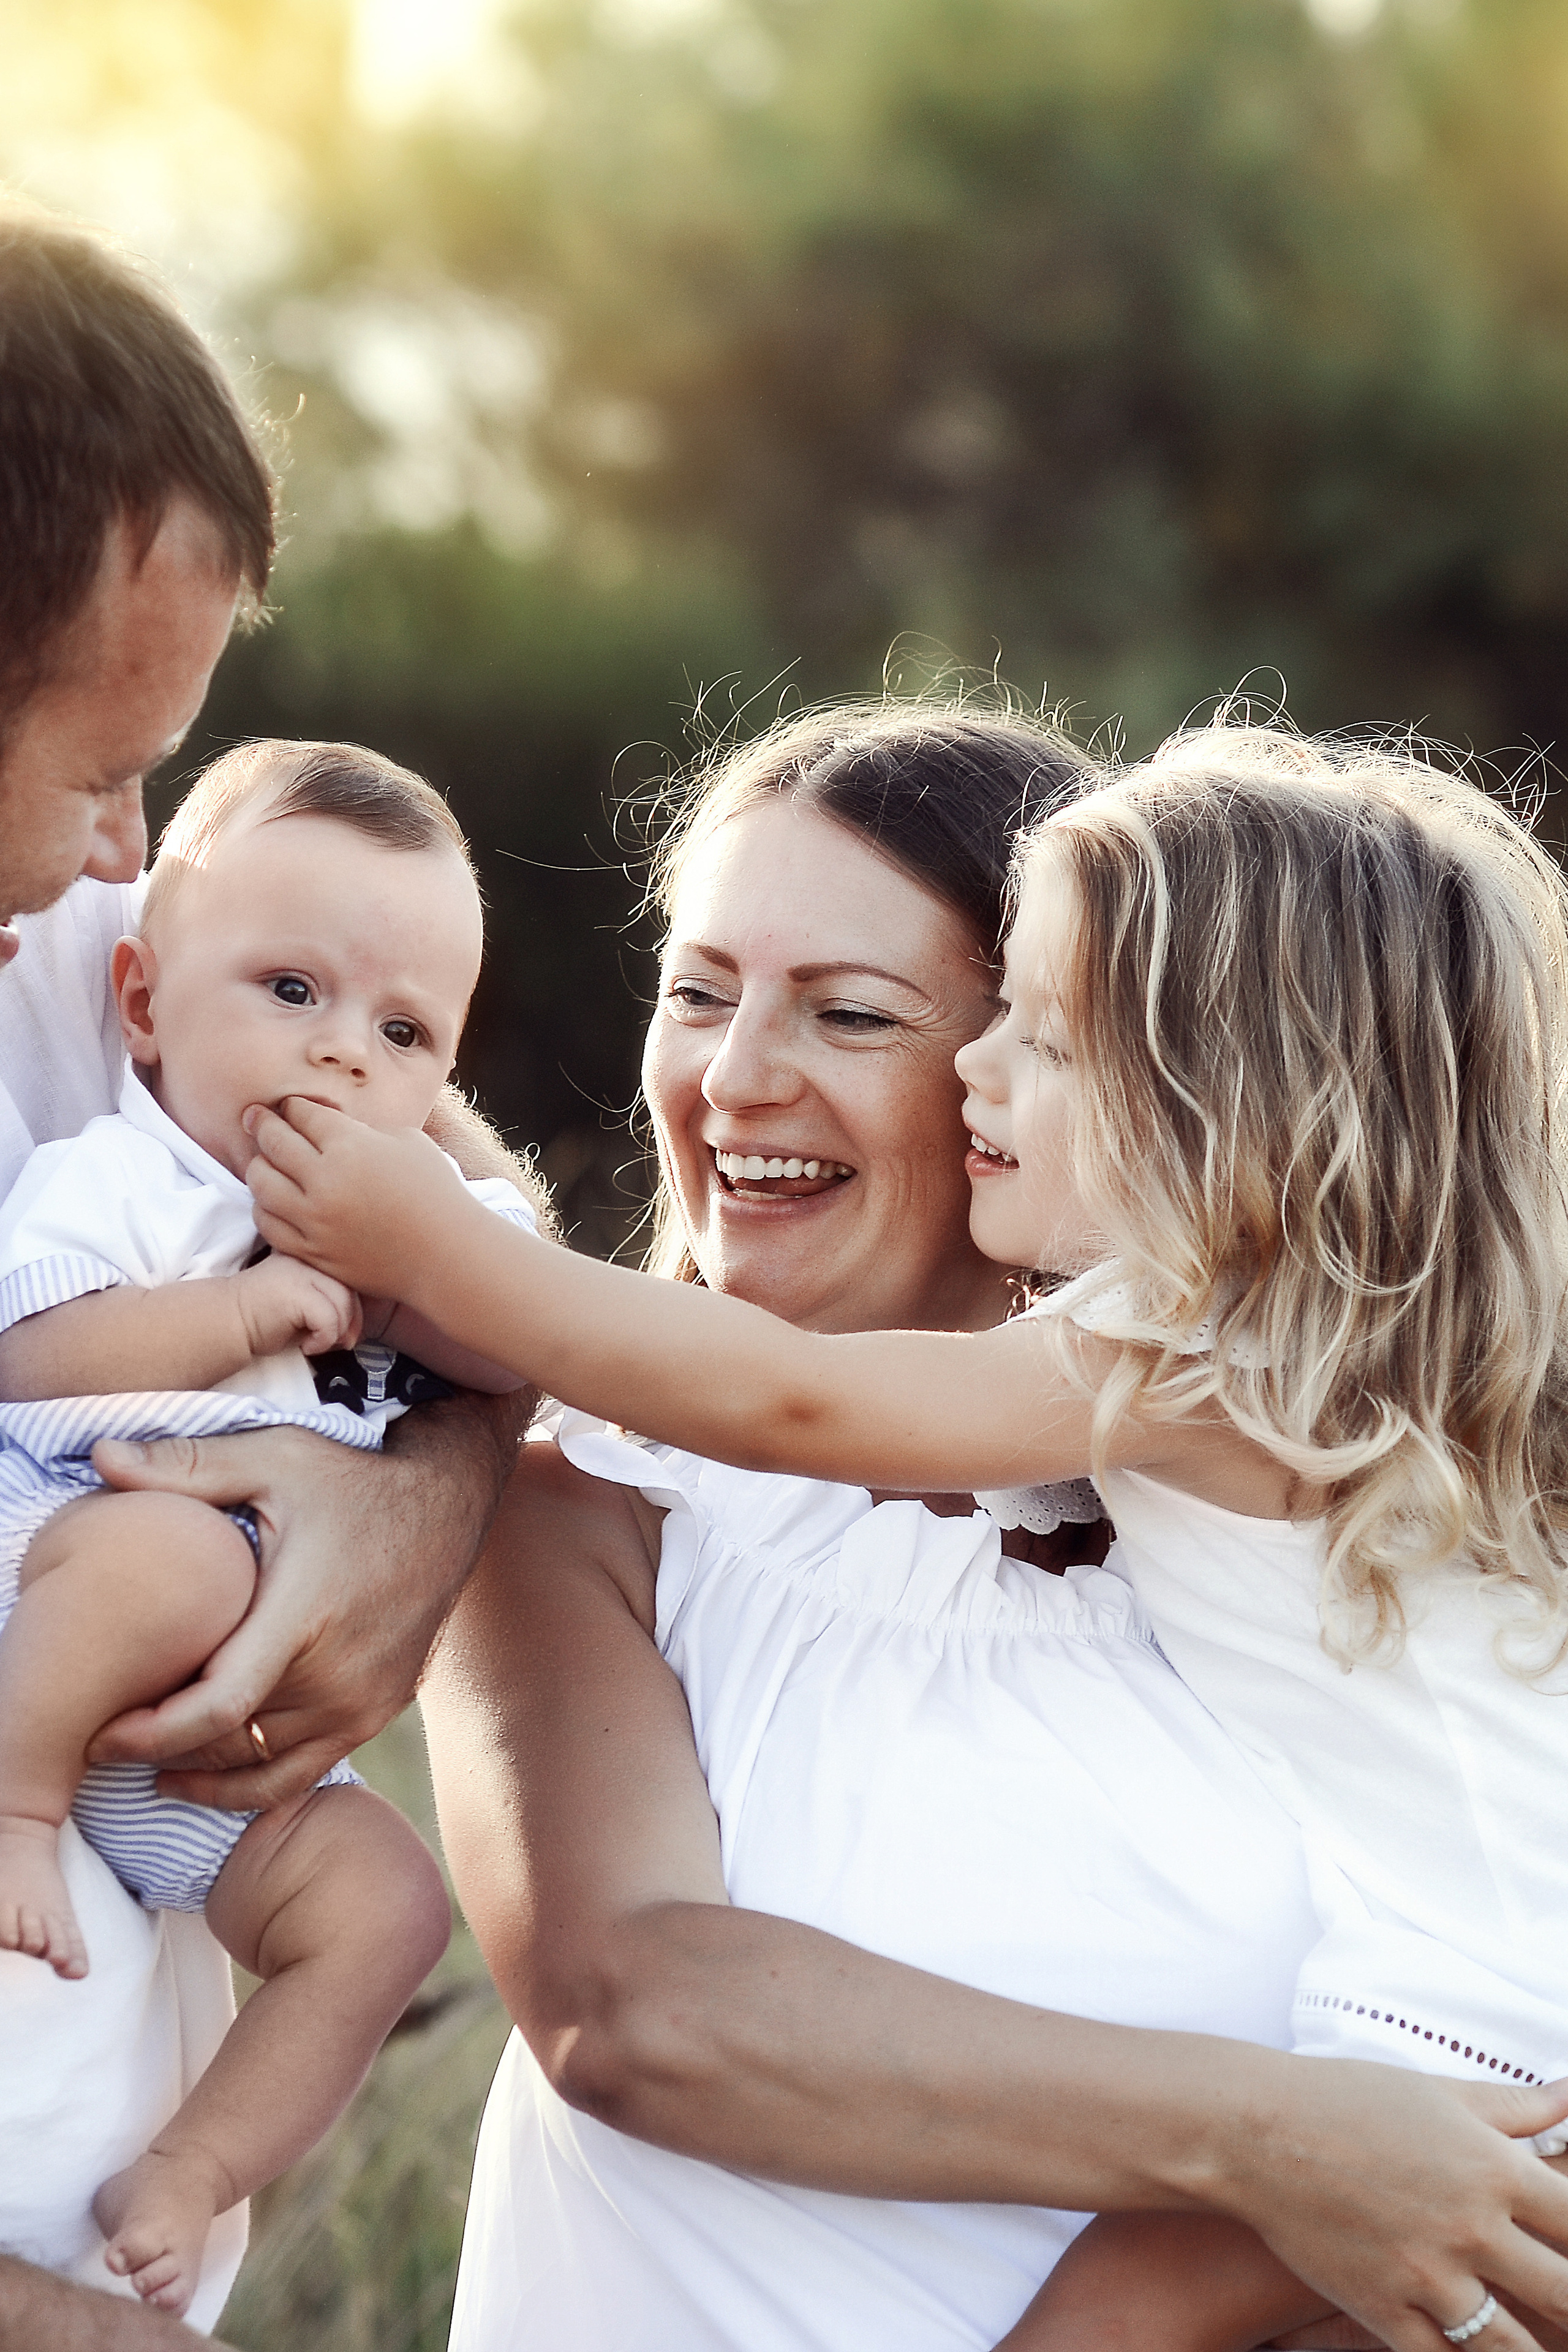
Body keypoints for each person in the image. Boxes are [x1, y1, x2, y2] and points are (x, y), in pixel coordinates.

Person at [248, 706, 1568, 2352]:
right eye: (700, 990)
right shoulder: (588, 1500)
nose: (734, 1080)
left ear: (1203, 1081)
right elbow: (636, 2010)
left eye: (860, 1014)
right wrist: (1275, 2142)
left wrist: (439, 1244)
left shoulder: (1271, 1469)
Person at [0, 197, 541, 2347]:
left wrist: (408, 1491)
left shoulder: (79, 958)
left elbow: (463, 1229)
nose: (127, 847)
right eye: (99, 764)